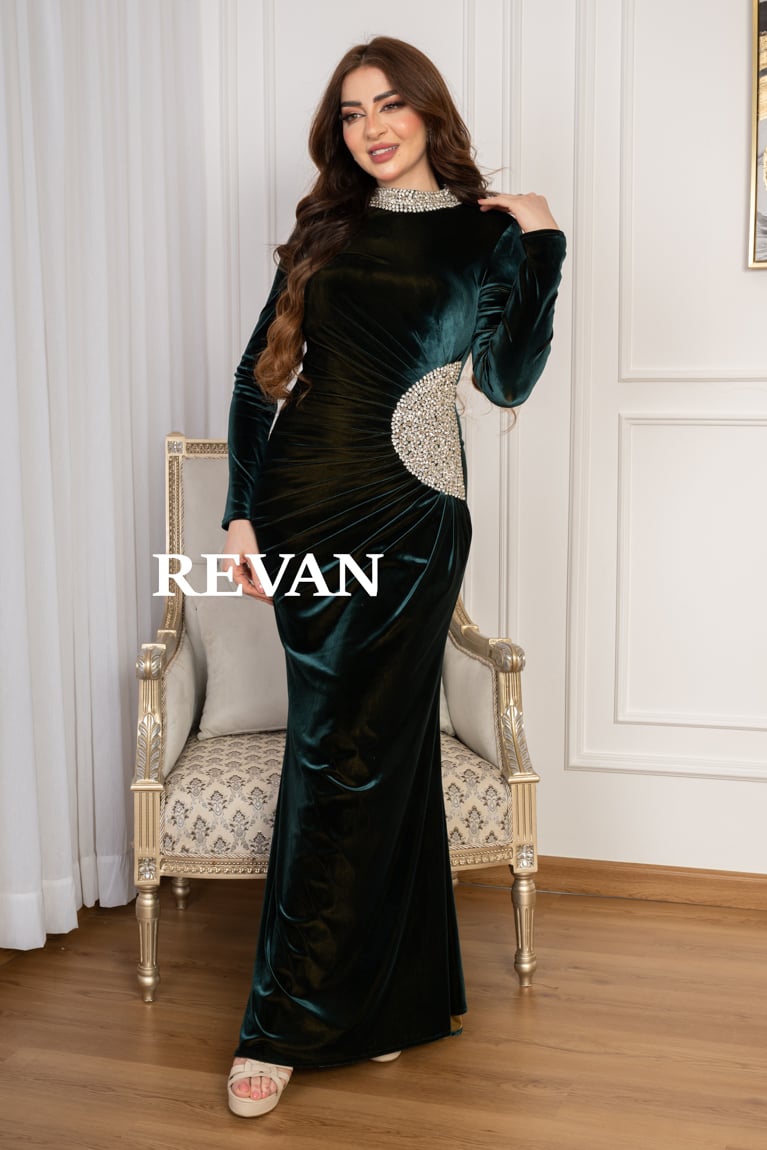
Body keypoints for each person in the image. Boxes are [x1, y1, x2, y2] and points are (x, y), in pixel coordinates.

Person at [221, 35, 566, 1118]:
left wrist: (543, 242)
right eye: (352, 111)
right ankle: (327, 1011)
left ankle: (322, 1011)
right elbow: (257, 381)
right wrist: (240, 513)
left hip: (412, 518)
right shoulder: (324, 228)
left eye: (388, 105)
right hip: (302, 511)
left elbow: (505, 381)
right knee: (348, 752)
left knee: (367, 754)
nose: (371, 127)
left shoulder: (485, 233)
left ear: (427, 111)